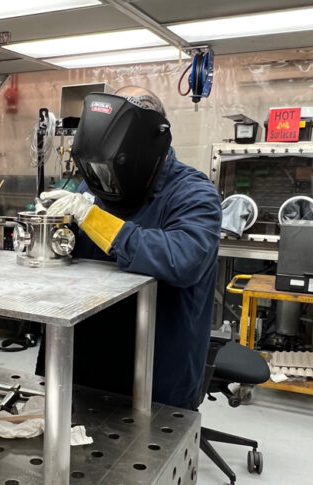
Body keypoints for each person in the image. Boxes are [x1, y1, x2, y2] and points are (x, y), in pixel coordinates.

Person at [41, 85, 221, 410]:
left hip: (154, 375)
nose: (105, 182)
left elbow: (183, 259)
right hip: (85, 364)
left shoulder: (193, 192)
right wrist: (49, 231)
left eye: (116, 165)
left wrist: (94, 219)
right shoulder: (95, 184)